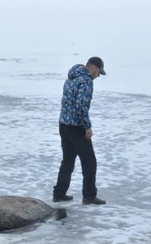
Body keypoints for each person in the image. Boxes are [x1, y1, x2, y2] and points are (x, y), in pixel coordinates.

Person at [53, 56, 106, 205]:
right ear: (93, 68)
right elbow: (81, 106)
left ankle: (59, 193)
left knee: (68, 160)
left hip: (64, 125)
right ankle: (89, 196)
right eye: (99, 72)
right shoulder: (86, 81)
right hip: (76, 127)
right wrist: (87, 126)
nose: (99, 75)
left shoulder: (71, 78)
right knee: (89, 162)